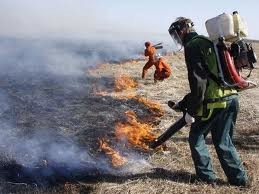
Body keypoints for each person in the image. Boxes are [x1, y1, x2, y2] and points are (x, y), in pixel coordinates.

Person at [168, 17, 249, 186]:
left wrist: (191, 111)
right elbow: (210, 79)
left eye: (176, 35)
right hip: (232, 97)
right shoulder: (208, 41)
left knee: (196, 137)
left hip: (215, 102)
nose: (177, 39)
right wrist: (183, 104)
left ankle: (206, 178)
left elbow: (199, 82)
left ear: (183, 30)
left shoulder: (192, 46)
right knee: (223, 141)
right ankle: (240, 181)